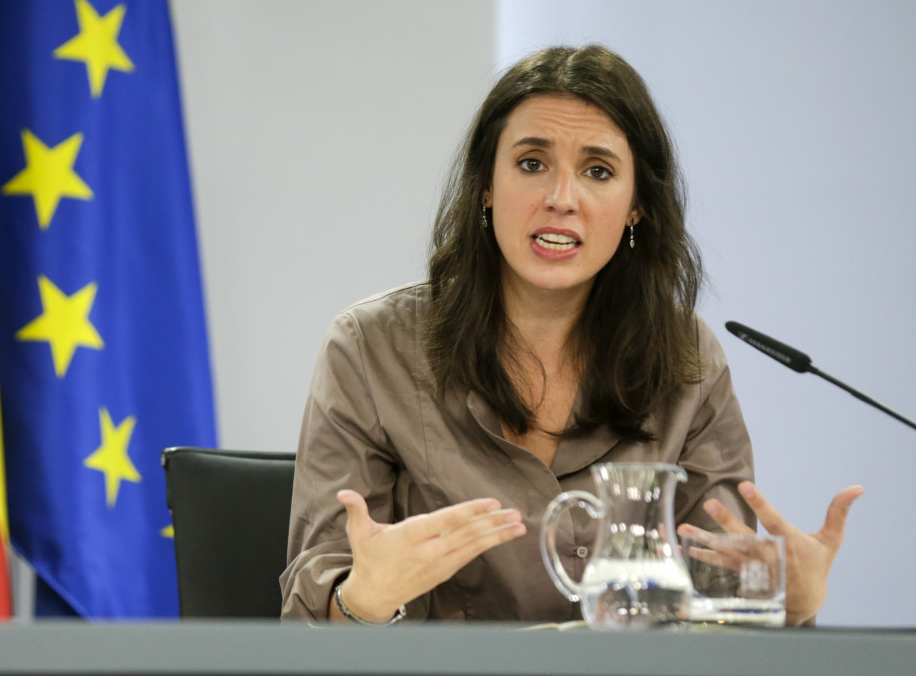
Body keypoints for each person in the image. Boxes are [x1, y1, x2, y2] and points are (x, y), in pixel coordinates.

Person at [280, 44, 862, 625]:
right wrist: (364, 599)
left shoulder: (687, 359)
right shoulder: (370, 348)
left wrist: (790, 607)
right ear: (486, 184)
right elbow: (306, 621)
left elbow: (718, 611)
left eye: (598, 171)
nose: (561, 198)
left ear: (637, 205)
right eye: (532, 164)